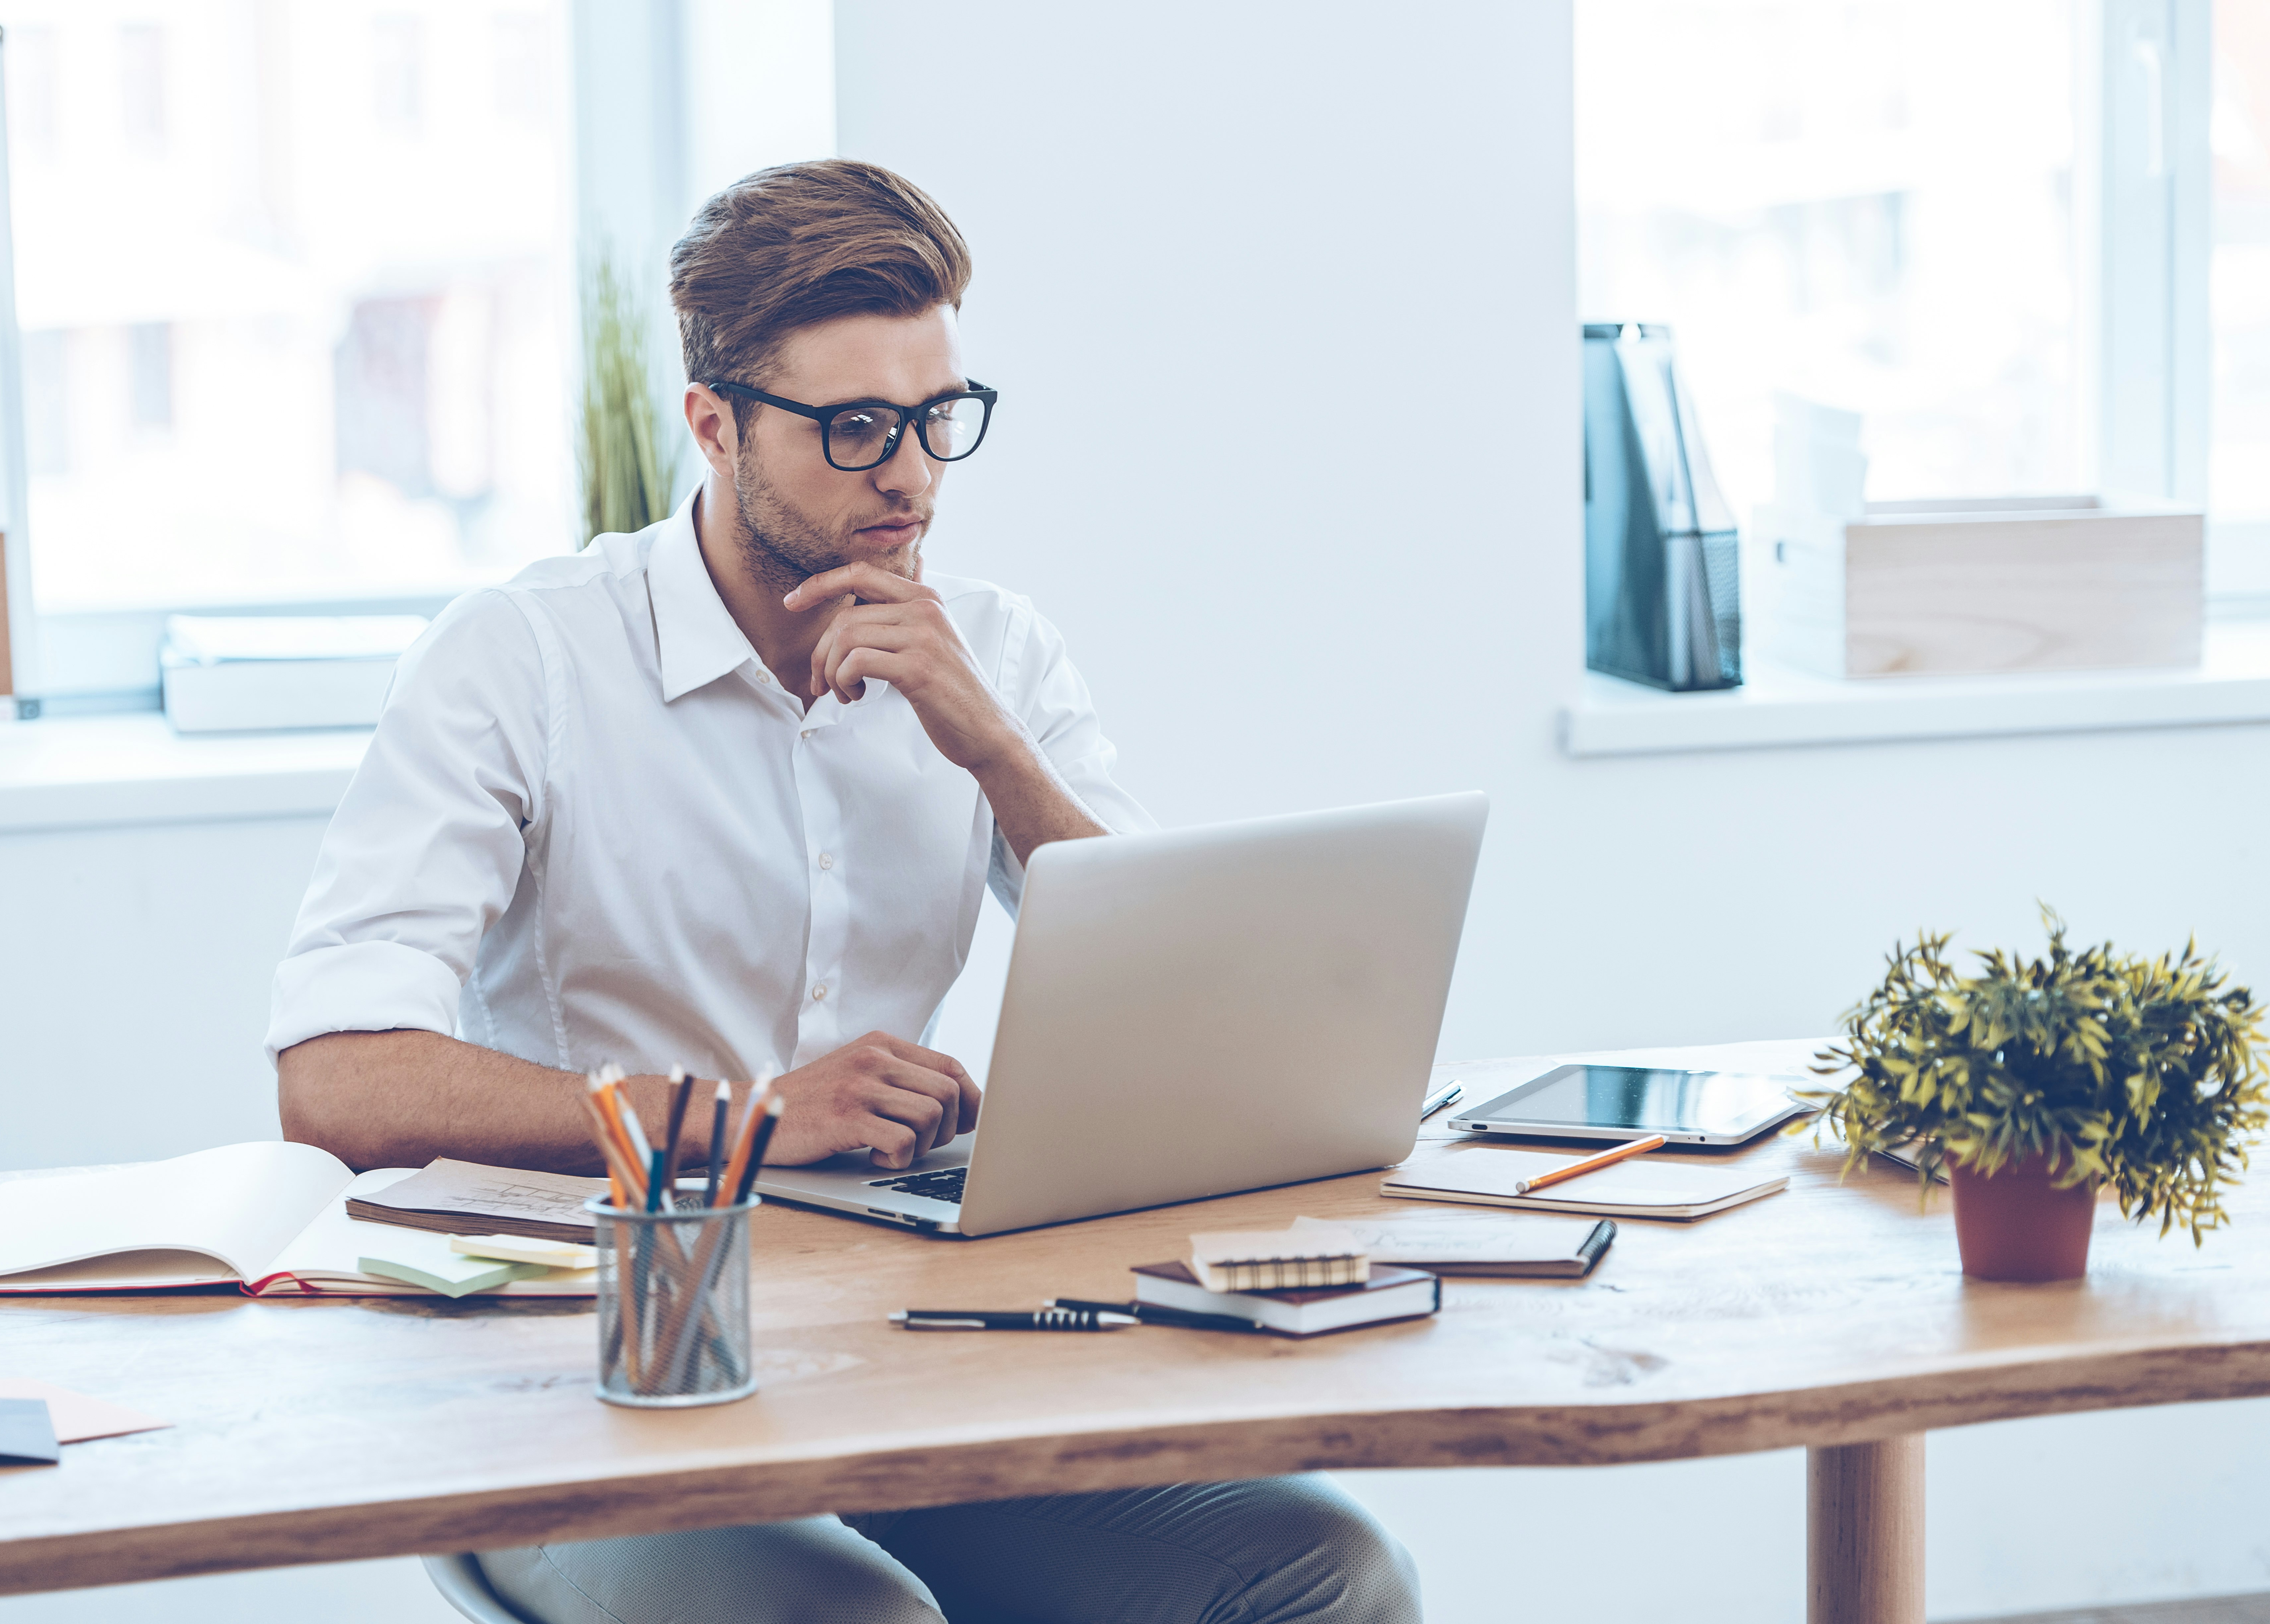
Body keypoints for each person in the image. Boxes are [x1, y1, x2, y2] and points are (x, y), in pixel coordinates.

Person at [268, 158, 1421, 1624]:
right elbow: (339, 1081)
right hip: (592, 1373)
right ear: (713, 423)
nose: (913, 474)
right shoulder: (521, 661)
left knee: (1327, 1570)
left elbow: (1178, 999)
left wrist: (990, 744)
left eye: (939, 418)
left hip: (904, 1346)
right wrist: (740, 1122)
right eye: (857, 428)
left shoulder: (992, 649)